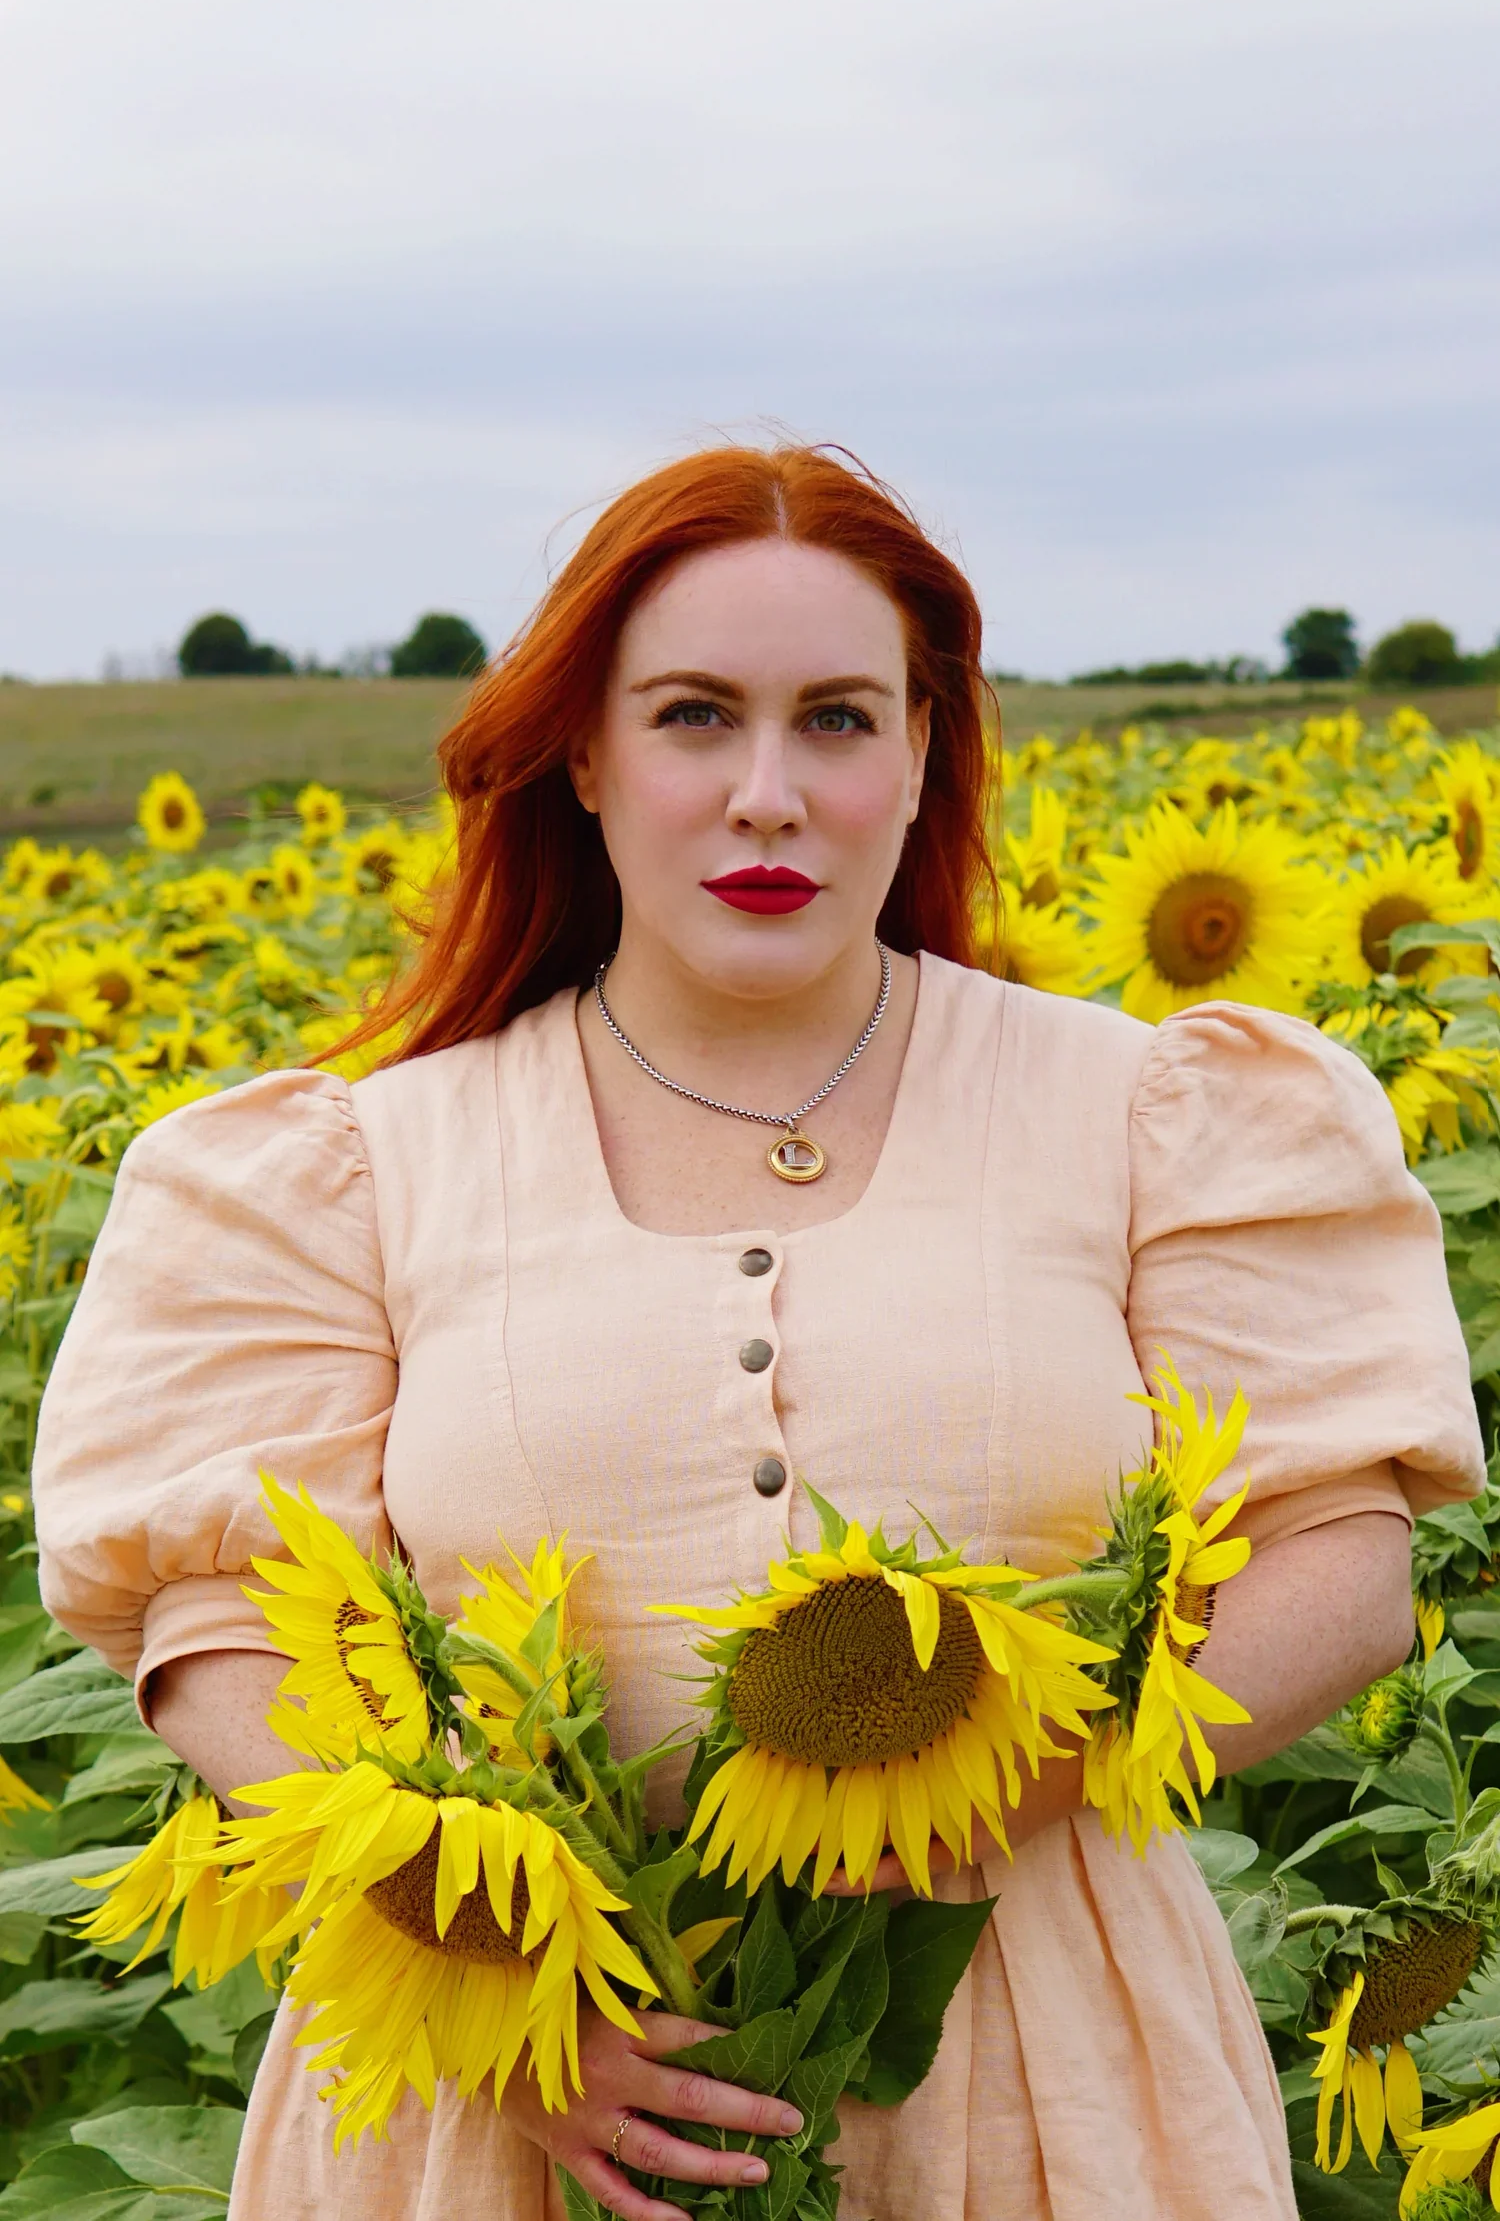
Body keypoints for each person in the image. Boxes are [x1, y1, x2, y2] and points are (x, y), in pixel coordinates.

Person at [32, 444, 1484, 2221]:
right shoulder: (351, 1166)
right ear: (585, 749)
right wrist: (493, 1959)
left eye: (841, 720)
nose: (770, 794)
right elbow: (217, 1628)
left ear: (925, 750)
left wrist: (1002, 1779)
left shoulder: (1153, 1114)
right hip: (501, 2092)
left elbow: (1341, 1559)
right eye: (697, 715)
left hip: (1044, 2081)